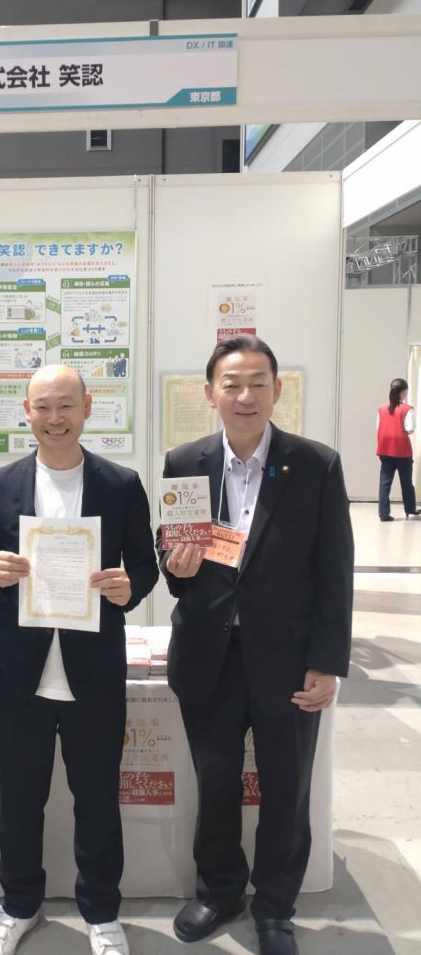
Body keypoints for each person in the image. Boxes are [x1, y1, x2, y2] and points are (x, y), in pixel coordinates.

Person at [156, 335, 353, 955]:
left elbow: (335, 569)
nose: (245, 396)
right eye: (232, 384)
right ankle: (218, 891)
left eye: (257, 383)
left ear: (276, 390)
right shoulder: (184, 461)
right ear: (209, 392)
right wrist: (174, 564)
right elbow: (174, 558)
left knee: (286, 787)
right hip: (209, 655)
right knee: (215, 783)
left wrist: (327, 662)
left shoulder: (315, 464)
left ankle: (274, 906)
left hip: (288, 659)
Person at [0, 365, 158, 955]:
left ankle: (101, 912)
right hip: (19, 671)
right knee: (21, 797)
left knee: (97, 798)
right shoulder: (0, 483)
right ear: (26, 411)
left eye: (66, 405)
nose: (55, 418)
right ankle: (18, 905)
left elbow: (144, 566)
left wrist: (129, 587)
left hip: (93, 669)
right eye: (43, 406)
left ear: (87, 407)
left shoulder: (120, 484)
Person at [376, 377, 419, 521]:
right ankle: (410, 509)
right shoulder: (407, 409)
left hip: (385, 450)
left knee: (385, 482)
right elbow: (410, 428)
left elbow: (379, 427)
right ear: (403, 393)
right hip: (402, 451)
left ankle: (383, 513)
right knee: (406, 482)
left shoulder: (381, 409)